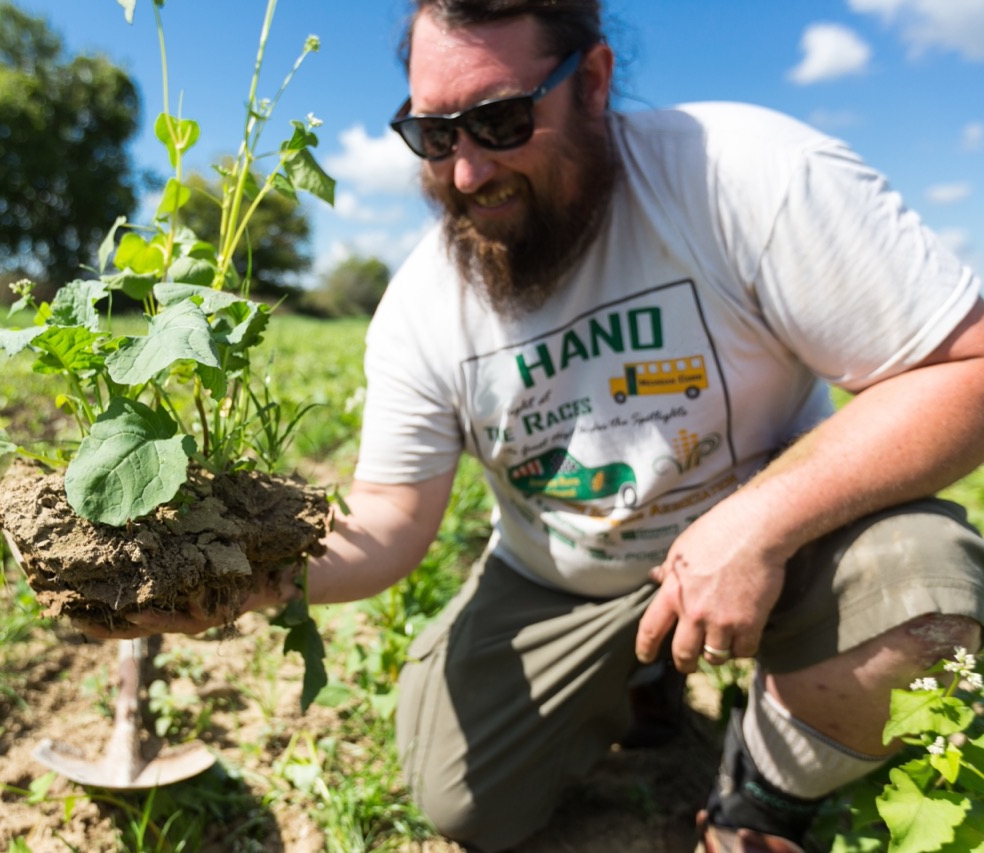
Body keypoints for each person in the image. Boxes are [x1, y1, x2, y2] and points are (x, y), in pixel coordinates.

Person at [101, 1, 984, 850]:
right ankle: (641, 678)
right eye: (434, 135)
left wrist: (757, 522)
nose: (466, 172)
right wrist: (235, 571)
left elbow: (968, 368)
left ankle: (762, 791)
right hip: (566, 580)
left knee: (929, 598)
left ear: (593, 82)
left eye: (501, 121)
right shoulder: (420, 309)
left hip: (783, 548)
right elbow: (388, 521)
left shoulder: (744, 177)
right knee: (462, 795)